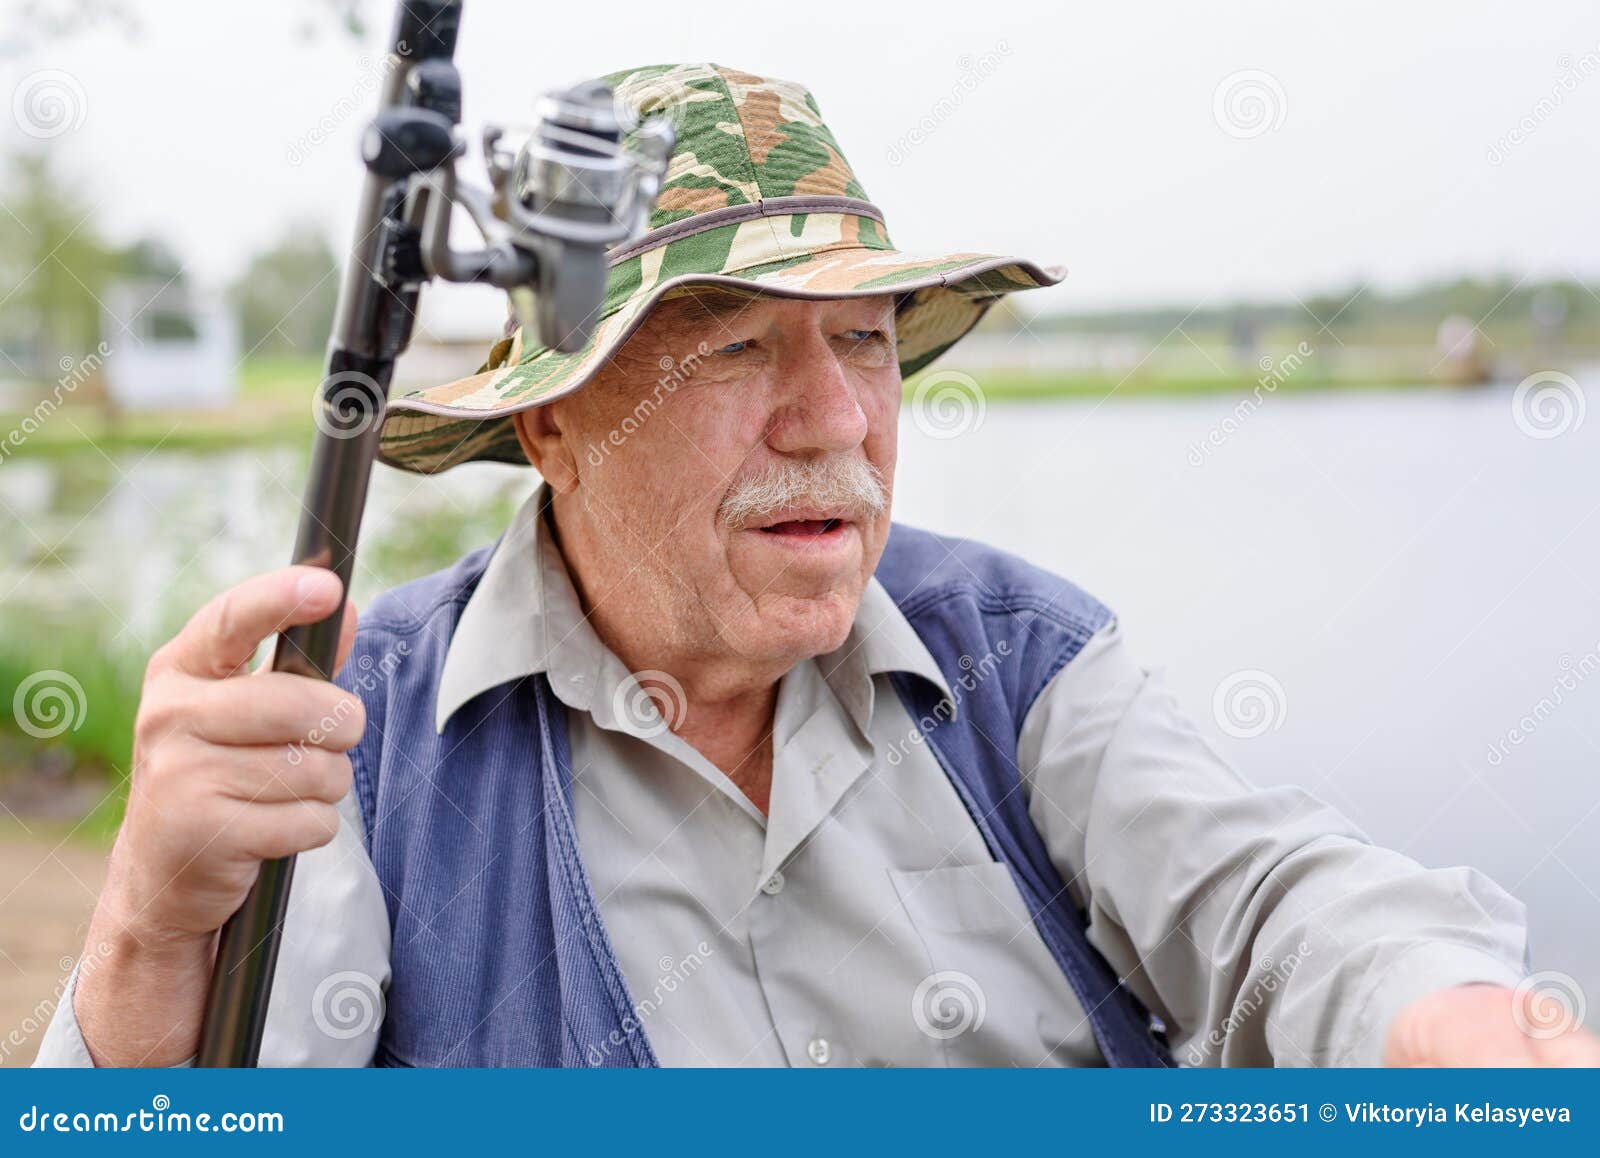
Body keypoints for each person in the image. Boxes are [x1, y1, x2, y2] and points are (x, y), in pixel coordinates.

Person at [37, 64, 1597, 1068]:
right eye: (734, 348)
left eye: (866, 341)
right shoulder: (363, 738)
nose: (837, 416)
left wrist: (1453, 1016)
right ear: (559, 425)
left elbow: (1274, 903)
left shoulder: (1017, 652)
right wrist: (151, 926)